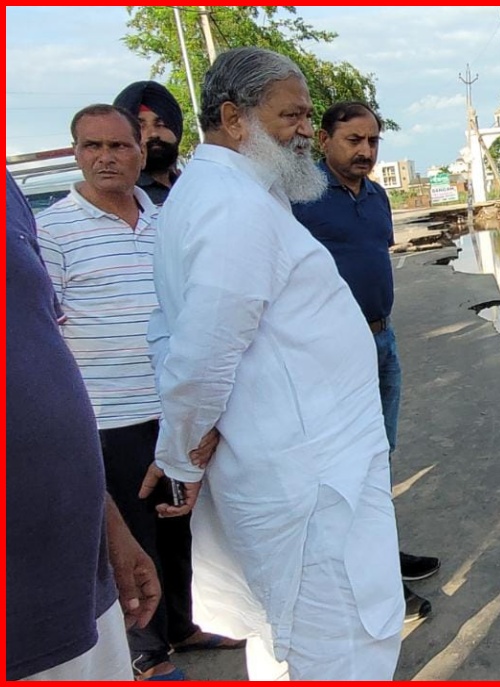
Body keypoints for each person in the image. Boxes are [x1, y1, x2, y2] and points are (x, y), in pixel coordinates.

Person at [147, 46, 404, 680]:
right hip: (311, 480)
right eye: (291, 116)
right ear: (235, 119)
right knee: (338, 639)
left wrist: (185, 442)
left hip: (307, 463)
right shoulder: (231, 204)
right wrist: (180, 453)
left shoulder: (235, 192)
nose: (302, 133)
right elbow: (201, 349)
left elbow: (171, 330)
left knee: (284, 635)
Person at [34, 104, 242, 681]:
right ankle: (145, 649)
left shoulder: (166, 221)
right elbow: (42, 332)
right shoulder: (52, 233)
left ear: (139, 150)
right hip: (107, 417)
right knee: (129, 537)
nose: (107, 157)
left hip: (174, 408)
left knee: (182, 526)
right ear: (76, 153)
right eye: (92, 147)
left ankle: (185, 622)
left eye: (120, 146)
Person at [7, 168, 161, 681]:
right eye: (92, 145)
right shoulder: (59, 227)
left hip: (76, 589)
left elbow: (39, 344)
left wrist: (107, 527)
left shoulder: (8, 193)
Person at [291, 101, 440, 621]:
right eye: (353, 139)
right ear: (325, 140)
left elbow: (374, 257)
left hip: (382, 341)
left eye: (373, 141)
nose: (365, 150)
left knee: (379, 462)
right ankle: (370, 585)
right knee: (344, 467)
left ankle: (382, 556)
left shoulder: (376, 196)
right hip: (330, 354)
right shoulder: (299, 196)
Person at [113, 81, 183, 205]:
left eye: (161, 124)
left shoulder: (191, 185)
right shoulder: (119, 196)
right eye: (140, 126)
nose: (153, 134)